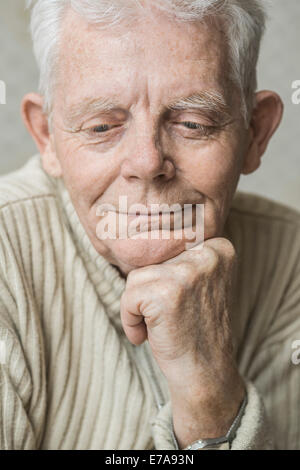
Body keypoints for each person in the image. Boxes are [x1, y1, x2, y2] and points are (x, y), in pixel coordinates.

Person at [0, 0, 299, 450]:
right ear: (47, 136)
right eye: (101, 127)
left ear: (255, 132)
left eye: (193, 123)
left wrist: (207, 386)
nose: (146, 163)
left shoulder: (292, 258)